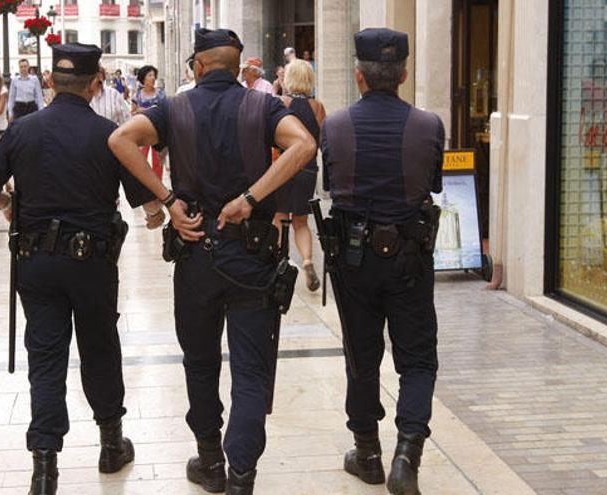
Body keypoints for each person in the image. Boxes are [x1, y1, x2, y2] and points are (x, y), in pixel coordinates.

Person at [108, 28, 316, 495]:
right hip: (252, 256)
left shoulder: (173, 108)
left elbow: (121, 139)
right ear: (239, 66)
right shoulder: (262, 106)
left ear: (197, 67)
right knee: (250, 368)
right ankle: (242, 474)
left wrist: (166, 199)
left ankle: (210, 461)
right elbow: (303, 145)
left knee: (200, 362)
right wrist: (250, 197)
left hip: (196, 253)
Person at [0, 42, 164, 495]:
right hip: (91, 263)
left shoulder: (22, 129)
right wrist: (157, 214)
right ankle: (111, 445)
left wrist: (6, 202)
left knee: (46, 359)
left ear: (50, 81)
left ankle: (45, 467)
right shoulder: (109, 135)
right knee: (100, 349)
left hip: (36, 263)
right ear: (96, 85)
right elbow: (149, 201)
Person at [320, 28, 444, 495]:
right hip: (410, 257)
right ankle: (406, 455)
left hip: (354, 257)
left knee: (361, 355)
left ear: (359, 76)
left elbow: (332, 182)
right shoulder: (429, 125)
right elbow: (431, 183)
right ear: (404, 74)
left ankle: (367, 452)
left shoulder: (333, 125)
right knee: (417, 360)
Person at [273, 60, 325, 292]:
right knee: (301, 222)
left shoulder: (280, 103)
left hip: (283, 167)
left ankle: (278, 262)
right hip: (308, 169)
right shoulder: (317, 107)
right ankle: (307, 261)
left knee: (280, 217)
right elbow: (323, 141)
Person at [131, 65, 166, 179]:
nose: (153, 78)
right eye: (149, 75)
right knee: (141, 159)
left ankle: (158, 187)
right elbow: (133, 112)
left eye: (153, 75)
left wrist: (144, 110)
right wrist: (138, 111)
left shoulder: (161, 94)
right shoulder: (137, 96)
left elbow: (164, 111)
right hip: (141, 131)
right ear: (143, 78)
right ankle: (144, 185)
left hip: (158, 131)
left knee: (158, 161)